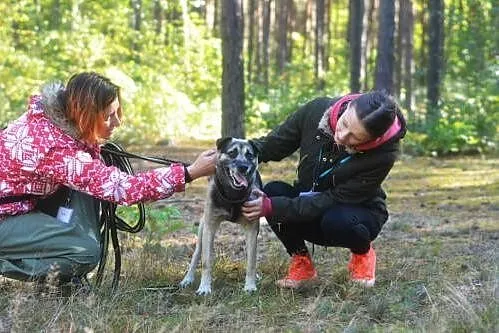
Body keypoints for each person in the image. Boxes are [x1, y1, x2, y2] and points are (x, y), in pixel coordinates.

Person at [0, 72, 216, 287]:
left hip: (20, 205)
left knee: (90, 185)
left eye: (117, 112)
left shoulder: (55, 123)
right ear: (85, 114)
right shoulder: (54, 149)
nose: (118, 122)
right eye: (108, 116)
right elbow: (123, 188)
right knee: (84, 252)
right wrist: (190, 173)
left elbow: (93, 175)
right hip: (5, 216)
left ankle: (64, 252)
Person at [242, 91, 406, 288]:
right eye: (345, 124)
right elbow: (272, 145)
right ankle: (302, 264)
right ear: (348, 106)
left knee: (336, 220)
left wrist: (272, 208)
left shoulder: (384, 155)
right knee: (273, 191)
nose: (342, 136)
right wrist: (232, 155)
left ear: (373, 140)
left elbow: (334, 198)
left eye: (355, 137)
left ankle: (362, 254)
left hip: (352, 213)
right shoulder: (316, 110)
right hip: (309, 205)